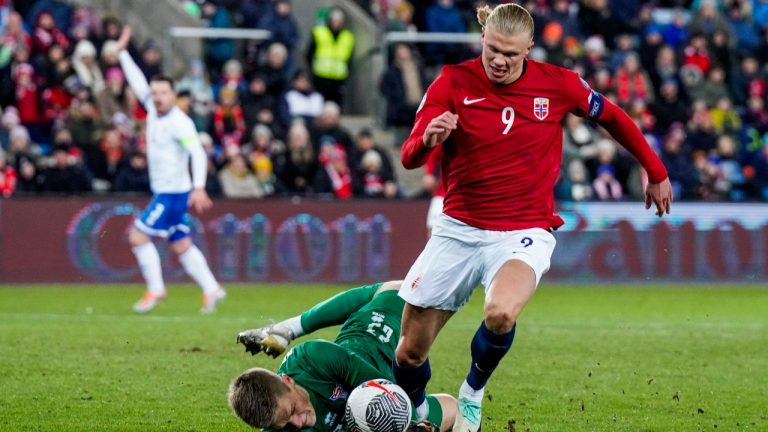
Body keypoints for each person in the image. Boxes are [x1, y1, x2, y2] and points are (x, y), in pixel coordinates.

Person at [393, 4, 673, 432]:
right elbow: (409, 156)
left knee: (501, 313)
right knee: (409, 353)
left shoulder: (558, 85)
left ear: (529, 48)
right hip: (458, 229)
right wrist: (428, 139)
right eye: (491, 50)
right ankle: (416, 414)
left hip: (524, 230)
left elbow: (613, 117)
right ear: (482, 38)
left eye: (510, 53)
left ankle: (471, 393)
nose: (499, 61)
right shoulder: (452, 81)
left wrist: (655, 170)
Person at [230, 281, 456, 431]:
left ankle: (287, 329)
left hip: (383, 326)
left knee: (395, 291)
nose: (298, 423)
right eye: (285, 424)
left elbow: (387, 393)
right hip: (375, 363)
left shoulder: (311, 359)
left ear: (288, 380)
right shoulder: (275, 421)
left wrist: (411, 424)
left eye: (291, 410)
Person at [116, 26, 226, 314]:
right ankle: (212, 288)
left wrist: (199, 186)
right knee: (181, 244)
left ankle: (155, 289)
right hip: (170, 191)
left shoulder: (181, 122)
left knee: (137, 237)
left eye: (163, 93)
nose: (157, 97)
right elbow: (137, 81)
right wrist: (123, 53)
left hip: (171, 194)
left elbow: (197, 153)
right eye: (154, 93)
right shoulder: (153, 109)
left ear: (173, 94)